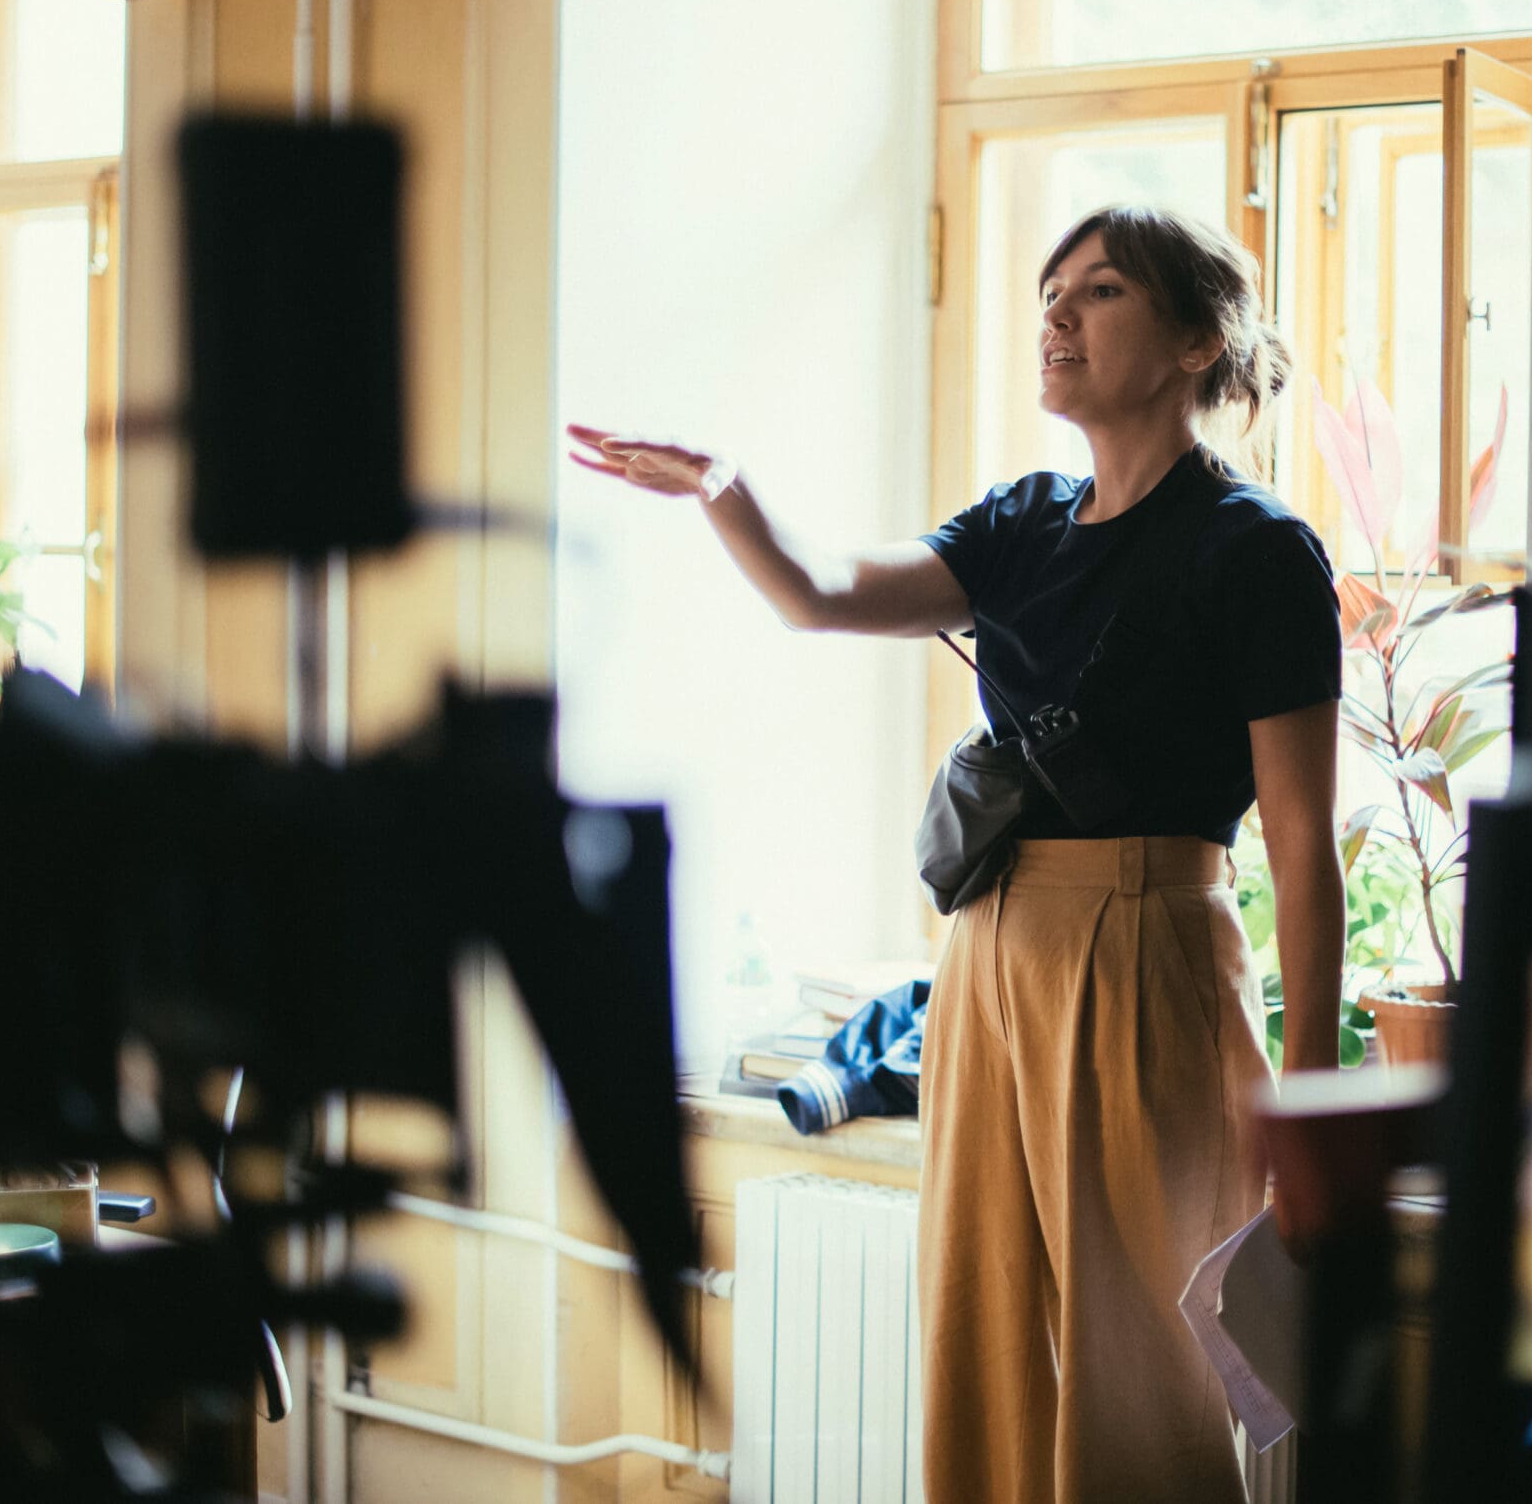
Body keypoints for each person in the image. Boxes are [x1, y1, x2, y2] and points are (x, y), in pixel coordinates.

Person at [568, 204, 1346, 1504]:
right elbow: (819, 592)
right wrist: (723, 488)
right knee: (979, 1342)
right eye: (1050, 291)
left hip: (1145, 956)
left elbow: (1305, 848)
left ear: (1198, 341)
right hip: (986, 954)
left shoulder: (1255, 551)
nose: (1057, 315)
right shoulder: (1023, 523)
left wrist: (1312, 1117)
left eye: (1100, 291)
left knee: (1140, 1375)